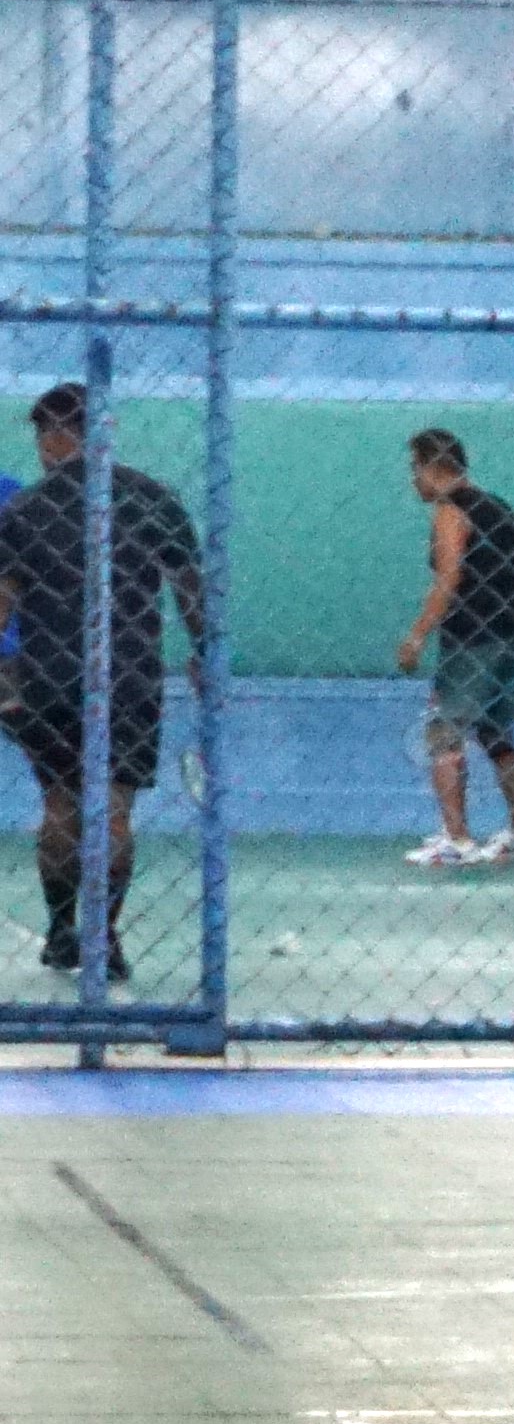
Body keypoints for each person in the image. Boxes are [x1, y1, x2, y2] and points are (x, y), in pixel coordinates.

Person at [0, 382, 207, 987]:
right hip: (129, 675)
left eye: (46, 432)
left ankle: (63, 929)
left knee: (62, 802)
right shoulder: (152, 500)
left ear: (59, 436)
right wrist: (203, 650)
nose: (43, 445)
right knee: (113, 808)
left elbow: (3, 603)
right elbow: (188, 588)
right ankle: (104, 935)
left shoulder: (25, 511)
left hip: (50, 677)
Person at [392, 428, 514, 869]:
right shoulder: (502, 509)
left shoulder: (450, 511)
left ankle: (457, 840)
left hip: (471, 640)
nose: (412, 481)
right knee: (497, 731)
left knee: (444, 733)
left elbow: (448, 579)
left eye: (413, 470)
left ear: (429, 466)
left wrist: (417, 635)